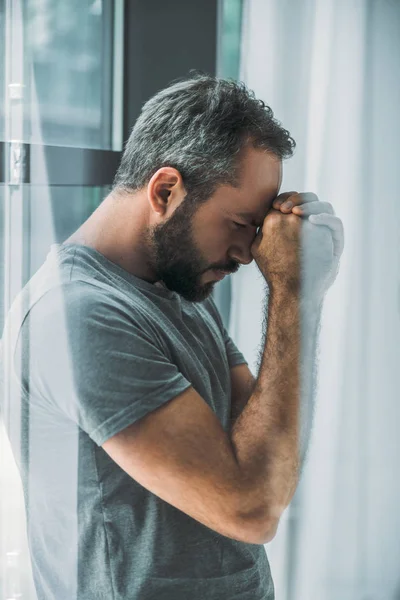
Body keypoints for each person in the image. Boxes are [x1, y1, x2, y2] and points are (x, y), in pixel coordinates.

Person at [0, 71, 343, 599]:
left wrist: (303, 287)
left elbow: (267, 455)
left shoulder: (177, 289)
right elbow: (251, 507)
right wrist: (297, 295)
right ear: (165, 190)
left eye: (258, 229)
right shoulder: (79, 316)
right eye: (239, 223)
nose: (250, 253)